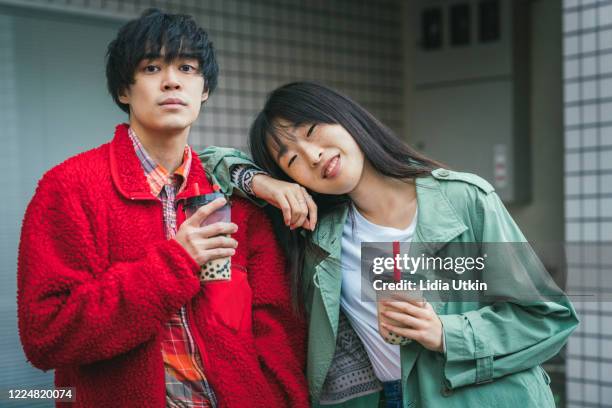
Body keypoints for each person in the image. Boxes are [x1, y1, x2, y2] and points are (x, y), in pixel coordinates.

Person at [200, 81, 579, 407]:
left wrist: (446, 333)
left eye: (312, 130)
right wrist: (263, 183)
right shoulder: (318, 232)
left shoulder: (464, 200)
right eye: (292, 159)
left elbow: (546, 316)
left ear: (345, 116)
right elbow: (202, 162)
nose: (313, 156)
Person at [17, 10, 307, 408]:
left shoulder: (235, 197)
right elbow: (47, 337)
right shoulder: (70, 188)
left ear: (204, 90)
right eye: (152, 67)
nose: (172, 80)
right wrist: (176, 263)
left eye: (187, 67)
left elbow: (278, 332)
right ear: (124, 90)